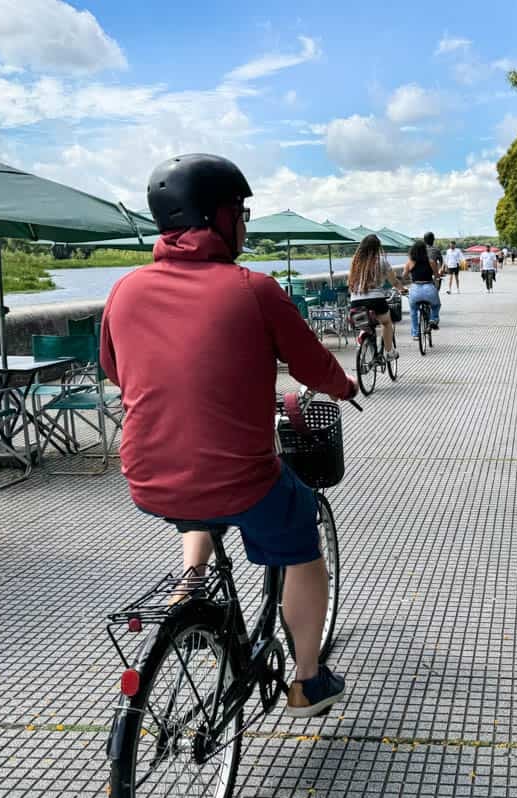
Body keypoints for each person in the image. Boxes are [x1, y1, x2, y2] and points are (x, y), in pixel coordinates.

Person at [100, 153, 356, 718]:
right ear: (216, 217)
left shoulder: (123, 291)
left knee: (200, 505)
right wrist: (344, 386)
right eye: (240, 212)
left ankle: (189, 586)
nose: (244, 224)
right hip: (241, 478)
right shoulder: (253, 288)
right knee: (300, 541)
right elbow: (313, 365)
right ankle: (308, 682)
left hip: (147, 477)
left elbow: (118, 372)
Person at [348, 234, 403, 361]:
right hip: (376, 300)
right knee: (386, 323)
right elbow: (394, 282)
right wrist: (402, 289)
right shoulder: (381, 261)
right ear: (377, 248)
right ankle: (389, 353)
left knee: (365, 325)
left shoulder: (355, 262)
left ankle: (366, 347)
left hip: (356, 302)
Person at [404, 239, 442, 338]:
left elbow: (404, 276)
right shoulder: (431, 262)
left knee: (413, 311)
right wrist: (438, 277)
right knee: (436, 305)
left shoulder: (410, 262)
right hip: (429, 287)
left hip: (415, 289)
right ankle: (433, 319)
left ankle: (416, 334)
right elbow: (437, 276)